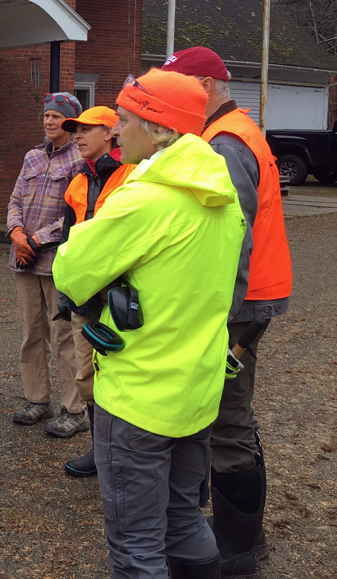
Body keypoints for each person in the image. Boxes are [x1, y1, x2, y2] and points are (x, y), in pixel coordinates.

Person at [53, 69, 246, 579]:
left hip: (139, 396)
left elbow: (69, 270)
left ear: (159, 130)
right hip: (196, 391)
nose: (115, 130)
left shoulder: (145, 199)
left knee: (136, 545)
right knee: (183, 518)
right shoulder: (221, 198)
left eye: (126, 119)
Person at [161, 46, 293, 577]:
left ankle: (237, 548)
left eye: (179, 88)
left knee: (227, 421)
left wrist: (215, 314)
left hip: (238, 306)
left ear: (207, 87)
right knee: (234, 416)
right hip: (253, 299)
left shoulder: (223, 144)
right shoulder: (235, 132)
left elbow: (230, 239)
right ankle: (246, 536)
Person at [52, 106, 136, 475]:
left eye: (87, 128)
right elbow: (69, 246)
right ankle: (101, 453)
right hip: (85, 300)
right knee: (86, 375)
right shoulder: (77, 183)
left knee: (122, 377)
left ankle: (124, 454)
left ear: (111, 132)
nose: (79, 135)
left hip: (119, 299)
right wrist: (67, 296)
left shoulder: (131, 176)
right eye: (77, 130)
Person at [6, 93, 88, 437]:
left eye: (57, 116)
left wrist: (36, 241)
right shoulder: (32, 157)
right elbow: (14, 200)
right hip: (23, 260)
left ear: (70, 122)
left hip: (55, 263)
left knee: (65, 336)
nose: (50, 121)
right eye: (47, 116)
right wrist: (16, 232)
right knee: (32, 334)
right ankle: (37, 399)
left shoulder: (80, 160)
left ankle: (75, 408)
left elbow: (72, 214)